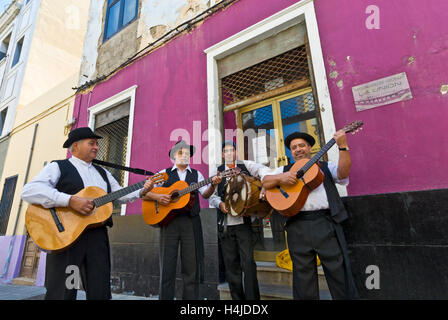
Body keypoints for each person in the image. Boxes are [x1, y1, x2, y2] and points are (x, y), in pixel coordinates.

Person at [21, 127, 154, 300]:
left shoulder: (103, 172)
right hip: (65, 238)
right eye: (92, 143)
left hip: (97, 238)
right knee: (65, 290)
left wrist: (142, 190)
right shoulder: (58, 167)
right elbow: (29, 191)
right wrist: (69, 201)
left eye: (97, 144)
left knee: (100, 289)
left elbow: (120, 194)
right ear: (75, 146)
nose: (97, 147)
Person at [261, 131, 358, 300]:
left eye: (301, 145)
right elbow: (265, 181)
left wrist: (342, 146)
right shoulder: (283, 170)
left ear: (310, 148)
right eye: (294, 147)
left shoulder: (326, 167)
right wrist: (281, 178)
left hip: (325, 223)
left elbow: (343, 173)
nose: (298, 149)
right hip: (297, 225)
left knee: (338, 272)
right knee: (303, 276)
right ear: (290, 152)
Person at [142, 140, 220, 300]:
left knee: (191, 268)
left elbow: (205, 194)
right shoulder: (164, 173)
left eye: (186, 152)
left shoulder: (196, 175)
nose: (183, 155)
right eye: (180, 152)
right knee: (167, 267)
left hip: (190, 223)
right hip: (168, 222)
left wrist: (213, 185)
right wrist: (159, 197)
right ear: (173, 156)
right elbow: (144, 193)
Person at [209, 140, 266, 300]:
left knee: (248, 263)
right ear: (222, 154)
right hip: (225, 225)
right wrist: (220, 204)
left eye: (232, 150)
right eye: (226, 151)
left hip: (243, 224)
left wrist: (265, 185)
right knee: (231, 265)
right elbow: (211, 196)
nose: (229, 153)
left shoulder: (246, 165)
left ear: (235, 152)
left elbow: (264, 170)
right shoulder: (217, 171)